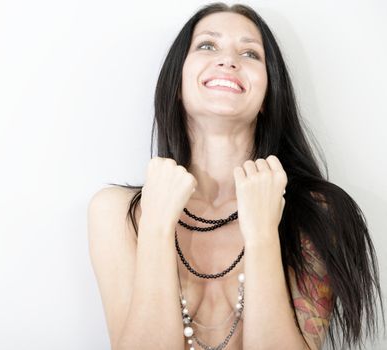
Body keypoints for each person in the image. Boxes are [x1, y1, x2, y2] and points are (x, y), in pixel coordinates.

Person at [87, 2, 384, 350]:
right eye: (208, 45)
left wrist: (261, 235)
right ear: (178, 83)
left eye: (250, 53)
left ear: (267, 96)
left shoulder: (318, 212)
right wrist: (155, 227)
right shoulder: (117, 212)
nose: (228, 60)